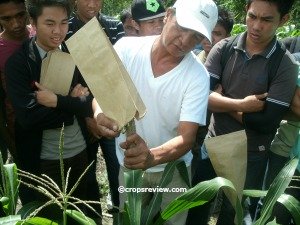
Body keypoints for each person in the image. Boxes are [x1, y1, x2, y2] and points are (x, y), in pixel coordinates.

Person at [94, 0, 218, 224]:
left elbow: (186, 137)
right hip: (130, 167)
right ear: (167, 15)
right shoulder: (126, 49)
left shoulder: (198, 76)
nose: (185, 41)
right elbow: (102, 93)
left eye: (196, 37)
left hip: (174, 172)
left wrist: (151, 156)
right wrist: (99, 113)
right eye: (182, 28)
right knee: (130, 219)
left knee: (171, 221)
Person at [187, 0, 298, 225]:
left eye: (267, 20)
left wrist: (221, 100)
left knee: (233, 213)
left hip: (251, 154)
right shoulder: (224, 48)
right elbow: (200, 99)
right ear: (246, 11)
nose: (256, 26)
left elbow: (267, 122)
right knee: (196, 207)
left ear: (283, 20)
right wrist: (242, 106)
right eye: (252, 16)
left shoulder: (284, 64)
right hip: (214, 144)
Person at [5, 0, 94, 221]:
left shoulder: (75, 53)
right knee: (49, 218)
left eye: (64, 23)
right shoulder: (19, 64)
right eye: (50, 23)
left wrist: (56, 101)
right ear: (33, 22)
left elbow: (90, 102)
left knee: (79, 214)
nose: (58, 31)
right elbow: (28, 118)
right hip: (43, 161)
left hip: (80, 152)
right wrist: (73, 103)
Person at [66, 0, 125, 218]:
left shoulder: (114, 27)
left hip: (112, 114)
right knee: (86, 178)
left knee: (119, 173)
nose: (92, 4)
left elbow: (119, 71)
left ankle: (121, 216)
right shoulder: (66, 28)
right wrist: (87, 117)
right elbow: (67, 79)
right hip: (80, 117)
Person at [0, 0, 35, 163]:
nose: (15, 24)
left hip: (54, 120)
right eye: (6, 19)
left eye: (20, 15)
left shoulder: (40, 34)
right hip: (19, 127)